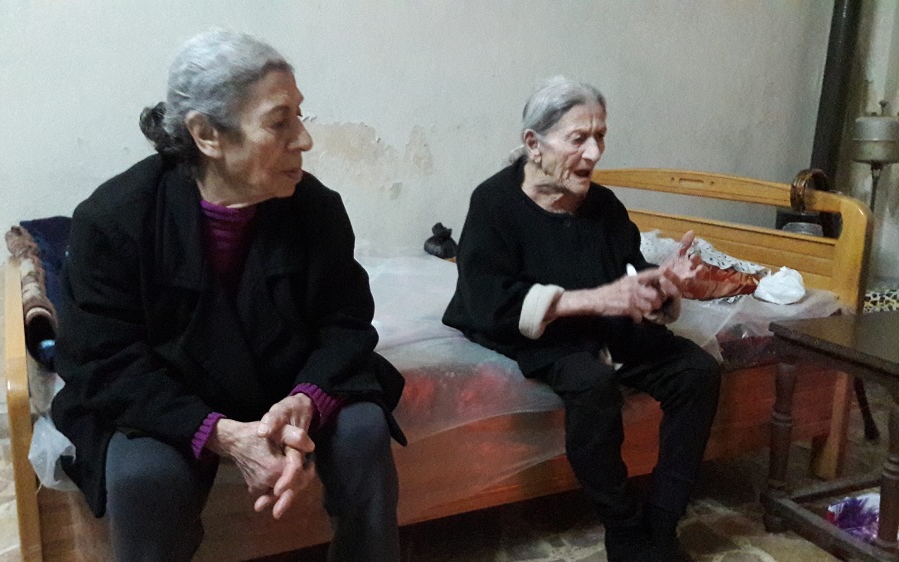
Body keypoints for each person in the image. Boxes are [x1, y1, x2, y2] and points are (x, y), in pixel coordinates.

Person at [51, 29, 405, 562]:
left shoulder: (315, 209)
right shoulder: (115, 219)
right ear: (207, 135)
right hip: (169, 399)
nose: (304, 140)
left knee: (363, 430)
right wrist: (216, 432)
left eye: (299, 116)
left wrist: (307, 400)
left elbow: (346, 324)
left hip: (285, 388)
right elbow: (103, 361)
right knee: (143, 476)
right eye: (279, 123)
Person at [442, 77, 721, 562]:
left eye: (600, 137)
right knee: (591, 383)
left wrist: (664, 286)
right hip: (536, 332)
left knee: (698, 371)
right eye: (578, 139)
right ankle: (624, 529)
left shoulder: (604, 205)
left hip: (606, 328)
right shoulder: (493, 203)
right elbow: (490, 302)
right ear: (534, 144)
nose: (594, 153)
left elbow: (632, 273)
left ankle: (661, 524)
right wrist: (598, 300)